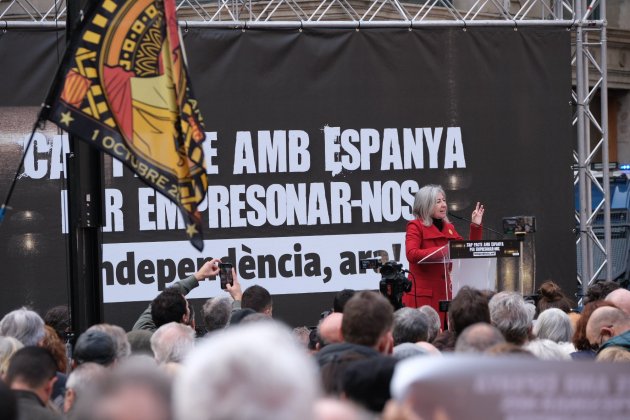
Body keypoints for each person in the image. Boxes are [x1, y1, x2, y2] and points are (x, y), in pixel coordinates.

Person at [403, 185, 484, 323]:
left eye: (444, 200)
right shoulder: (416, 226)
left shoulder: (449, 227)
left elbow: (466, 251)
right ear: (426, 205)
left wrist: (475, 226)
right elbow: (412, 254)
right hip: (424, 297)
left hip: (446, 295)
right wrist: (445, 251)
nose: (444, 205)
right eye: (438, 201)